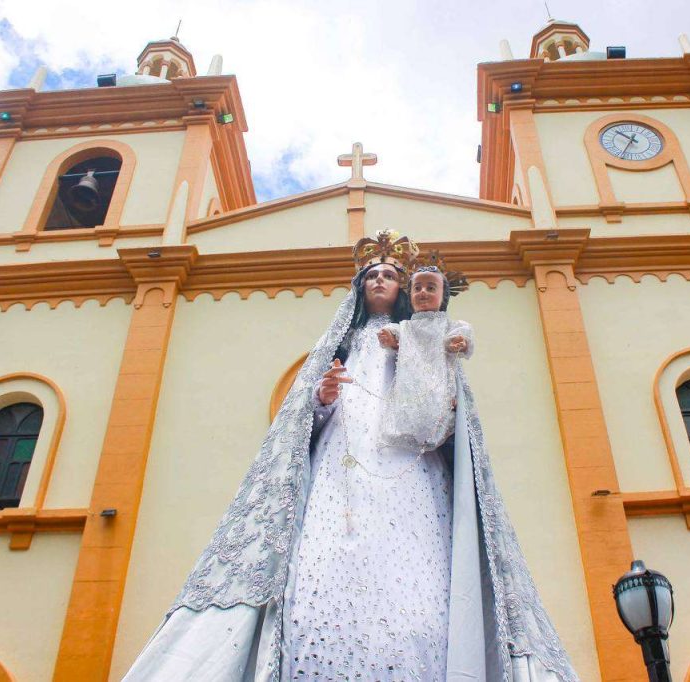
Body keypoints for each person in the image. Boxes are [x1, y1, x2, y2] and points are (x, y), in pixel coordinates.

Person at [122, 230, 579, 681]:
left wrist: (442, 385)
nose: (379, 281)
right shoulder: (339, 348)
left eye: (389, 275)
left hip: (414, 470)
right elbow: (301, 429)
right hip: (339, 470)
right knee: (320, 582)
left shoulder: (421, 337)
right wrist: (320, 398)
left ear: (407, 289)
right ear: (359, 289)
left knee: (418, 587)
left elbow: (449, 414)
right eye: (370, 275)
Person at [377, 259, 473, 455]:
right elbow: (395, 334)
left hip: (440, 389)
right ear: (410, 295)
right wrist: (389, 337)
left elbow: (461, 337)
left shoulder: (448, 325)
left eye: (431, 288)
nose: (423, 292)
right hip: (410, 389)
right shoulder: (406, 327)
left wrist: (458, 342)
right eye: (417, 288)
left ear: (443, 296)